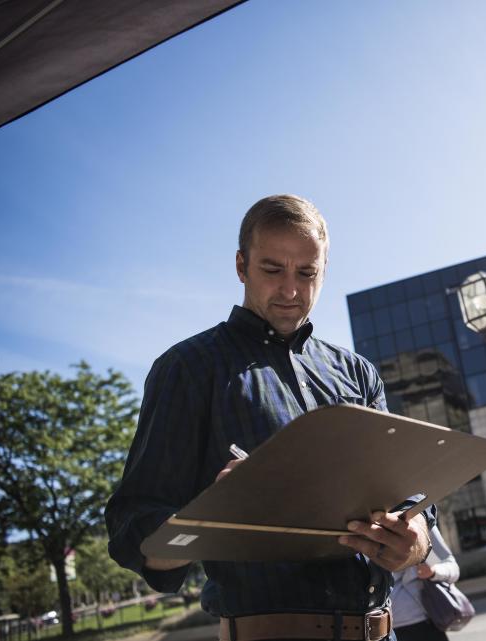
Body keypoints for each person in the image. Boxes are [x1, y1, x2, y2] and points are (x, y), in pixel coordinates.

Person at [105, 194, 433, 641]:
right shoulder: (189, 369)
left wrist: (415, 539)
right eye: (272, 270)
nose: (291, 291)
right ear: (241, 266)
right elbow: (133, 526)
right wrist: (213, 517)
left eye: (307, 273)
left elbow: (403, 493)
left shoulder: (358, 372)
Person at [390, 525, 460, 641]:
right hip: (376, 630)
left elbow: (452, 568)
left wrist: (433, 572)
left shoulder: (418, 519)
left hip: (424, 626)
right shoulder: (355, 522)